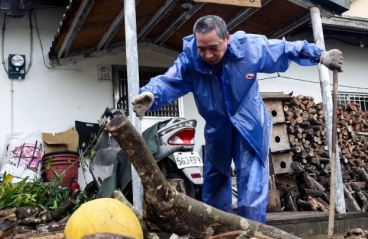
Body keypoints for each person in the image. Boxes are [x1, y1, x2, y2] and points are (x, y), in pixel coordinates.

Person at [131, 15, 343, 223]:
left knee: (251, 189)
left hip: (250, 126)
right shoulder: (190, 59)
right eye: (201, 48)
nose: (207, 54)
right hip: (217, 129)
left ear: (227, 38)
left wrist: (320, 55)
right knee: (214, 186)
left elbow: (286, 49)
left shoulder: (250, 48)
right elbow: (169, 82)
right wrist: (152, 95)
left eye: (214, 47)